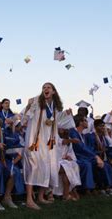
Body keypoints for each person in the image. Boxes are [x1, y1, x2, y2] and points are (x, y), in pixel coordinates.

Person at [21, 82, 74, 210]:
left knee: (48, 167)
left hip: (49, 142)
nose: (45, 89)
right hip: (35, 141)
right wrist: (28, 106)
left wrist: (67, 114)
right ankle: (29, 199)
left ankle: (40, 197)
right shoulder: (36, 102)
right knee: (32, 167)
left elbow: (61, 122)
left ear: (54, 92)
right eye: (44, 87)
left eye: (48, 87)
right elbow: (25, 118)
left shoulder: (55, 107)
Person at [53, 128, 80, 201]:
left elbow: (70, 153)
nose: (64, 130)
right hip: (54, 161)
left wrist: (69, 156)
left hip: (64, 161)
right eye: (62, 129)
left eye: (65, 129)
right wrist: (72, 140)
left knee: (74, 165)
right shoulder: (54, 136)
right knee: (66, 168)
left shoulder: (68, 139)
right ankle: (68, 193)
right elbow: (61, 142)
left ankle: (68, 192)